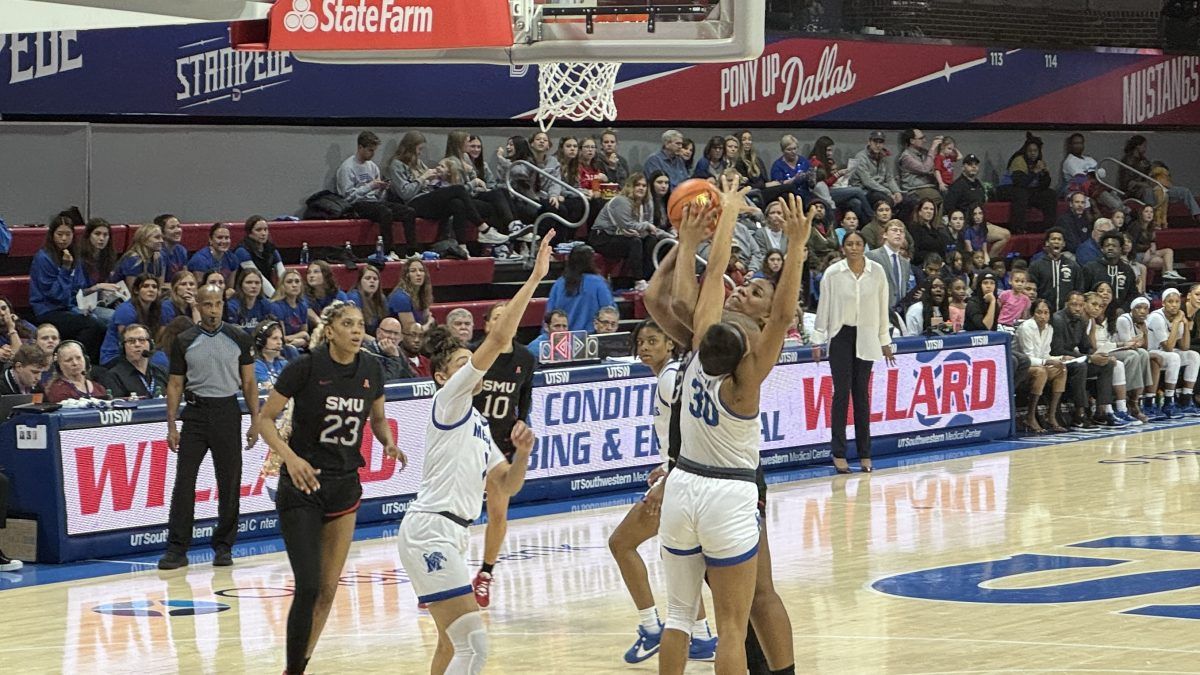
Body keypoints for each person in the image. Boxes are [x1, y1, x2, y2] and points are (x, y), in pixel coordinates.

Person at [656, 181, 808, 674]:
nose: (744, 288)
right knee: (734, 622)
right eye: (745, 286)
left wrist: (707, 232)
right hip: (725, 485)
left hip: (698, 483)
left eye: (756, 291)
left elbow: (705, 285)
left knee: (718, 607)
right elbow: (694, 292)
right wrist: (796, 247)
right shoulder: (739, 358)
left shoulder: (713, 339)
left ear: (763, 315)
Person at [395, 236, 549, 675]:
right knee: (475, 647)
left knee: (451, 642)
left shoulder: (478, 424)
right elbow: (500, 336)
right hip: (431, 530)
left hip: (453, 532)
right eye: (464, 363)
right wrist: (535, 276)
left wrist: (521, 454)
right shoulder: (449, 401)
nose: (473, 368)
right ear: (443, 375)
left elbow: (506, 486)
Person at [256, 300, 403, 675]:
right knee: (307, 586)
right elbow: (266, 419)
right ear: (331, 329)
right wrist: (290, 458)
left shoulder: (371, 366)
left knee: (327, 589)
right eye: (349, 324)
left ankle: (299, 666)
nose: (357, 331)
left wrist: (386, 440)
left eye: (360, 324)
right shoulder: (305, 367)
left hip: (344, 485)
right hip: (303, 485)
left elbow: (379, 417)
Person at [607, 320, 718, 664]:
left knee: (621, 543)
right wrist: (666, 465)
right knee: (678, 558)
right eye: (640, 341)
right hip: (684, 474)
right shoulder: (667, 375)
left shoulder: (671, 377)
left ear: (670, 344)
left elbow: (694, 429)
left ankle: (651, 628)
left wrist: (668, 478)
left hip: (684, 480)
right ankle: (700, 636)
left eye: (653, 340)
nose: (644, 346)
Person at [158, 284, 259, 570]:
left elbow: (249, 382)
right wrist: (171, 424)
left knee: (229, 482)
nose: (213, 309)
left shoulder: (238, 337)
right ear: (198, 307)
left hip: (228, 411)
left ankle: (224, 546)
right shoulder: (184, 340)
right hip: (196, 413)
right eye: (207, 304)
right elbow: (175, 384)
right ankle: (177, 549)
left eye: (217, 304)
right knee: (184, 482)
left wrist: (255, 420)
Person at [468, 301, 537, 608]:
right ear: (487, 325)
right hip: (469, 442)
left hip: (501, 445)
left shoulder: (525, 358)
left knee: (498, 514)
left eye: (509, 316)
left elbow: (525, 399)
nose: (505, 320)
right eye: (498, 317)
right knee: (458, 514)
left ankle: (485, 573)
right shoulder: (475, 354)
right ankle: (442, 578)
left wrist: (522, 420)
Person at [813, 229, 895, 473]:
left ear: (864, 247)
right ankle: (838, 452)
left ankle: (865, 453)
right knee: (841, 394)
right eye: (849, 244)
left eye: (858, 243)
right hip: (841, 335)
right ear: (843, 247)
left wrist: (885, 339)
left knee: (861, 395)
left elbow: (882, 308)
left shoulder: (877, 272)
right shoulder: (833, 273)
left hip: (867, 335)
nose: (854, 248)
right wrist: (818, 339)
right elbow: (824, 307)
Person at [30, 217, 106, 362]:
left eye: (68, 234)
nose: (64, 239)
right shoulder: (43, 258)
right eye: (60, 234)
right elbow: (55, 295)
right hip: (49, 310)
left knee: (107, 320)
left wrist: (84, 305)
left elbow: (78, 287)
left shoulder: (75, 256)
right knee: (94, 325)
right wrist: (65, 269)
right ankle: (75, 361)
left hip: (70, 306)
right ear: (52, 235)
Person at [589, 173, 671, 291]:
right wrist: (646, 226)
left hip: (622, 236)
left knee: (652, 240)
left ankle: (648, 277)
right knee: (635, 242)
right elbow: (628, 225)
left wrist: (671, 237)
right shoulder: (621, 201)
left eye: (644, 185)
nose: (641, 188)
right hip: (602, 236)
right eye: (637, 185)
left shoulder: (647, 203)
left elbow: (650, 228)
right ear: (629, 186)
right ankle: (638, 280)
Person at [1049, 291, 1114, 430]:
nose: (1077, 308)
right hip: (1059, 360)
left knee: (1107, 364)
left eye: (1080, 305)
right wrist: (1090, 358)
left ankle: (1101, 411)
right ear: (1066, 304)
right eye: (1074, 305)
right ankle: (1079, 415)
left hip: (1074, 359)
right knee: (1081, 366)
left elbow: (1086, 346)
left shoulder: (1081, 320)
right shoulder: (1058, 319)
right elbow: (1057, 350)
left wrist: (1100, 355)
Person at [1087, 286, 1149, 425]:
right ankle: (1119, 404)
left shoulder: (1114, 315)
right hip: (1098, 352)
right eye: (1095, 304)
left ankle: (1132, 402)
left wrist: (1126, 343)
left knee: (1143, 354)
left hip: (1110, 349)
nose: (1098, 307)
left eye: (1109, 291)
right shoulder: (1089, 319)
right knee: (1128, 358)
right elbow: (1091, 347)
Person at [337, 130, 402, 258]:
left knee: (408, 211)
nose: (372, 154)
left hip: (374, 203)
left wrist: (382, 188)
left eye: (374, 150)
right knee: (385, 212)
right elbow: (348, 197)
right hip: (357, 205)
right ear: (360, 147)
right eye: (370, 150)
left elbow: (378, 197)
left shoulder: (373, 167)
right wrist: (371, 186)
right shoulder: (347, 168)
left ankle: (412, 250)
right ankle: (388, 251)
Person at [1013, 298, 1069, 433]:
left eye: (1046, 313)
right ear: (1033, 313)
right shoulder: (1026, 327)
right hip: (1020, 367)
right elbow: (1027, 358)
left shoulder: (1049, 328)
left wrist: (1061, 358)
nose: (1043, 316)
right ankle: (1030, 417)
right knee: (1041, 371)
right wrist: (1047, 362)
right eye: (1039, 312)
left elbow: (1045, 354)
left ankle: (1051, 416)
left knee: (1062, 369)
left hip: (1038, 364)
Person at [1147, 287, 1200, 417]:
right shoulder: (1156, 317)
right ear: (1163, 303)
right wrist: (1177, 322)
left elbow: (1185, 347)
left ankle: (1186, 400)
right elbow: (1169, 348)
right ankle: (1169, 401)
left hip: (1165, 353)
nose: (1174, 305)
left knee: (1193, 355)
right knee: (1174, 357)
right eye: (1170, 301)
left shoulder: (1178, 316)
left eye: (1177, 301)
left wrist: (1185, 324)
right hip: (1151, 352)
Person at [100, 273, 167, 366]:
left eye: (154, 287)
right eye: (145, 286)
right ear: (136, 290)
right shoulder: (126, 310)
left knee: (165, 358)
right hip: (115, 356)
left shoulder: (159, 309)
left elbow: (159, 339)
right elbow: (126, 343)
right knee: (160, 361)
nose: (151, 290)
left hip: (143, 351)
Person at [996, 133, 1058, 233]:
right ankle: (1019, 228)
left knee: (1050, 194)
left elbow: (1044, 185)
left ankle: (1049, 227)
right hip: (1006, 189)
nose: (1033, 153)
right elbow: (1020, 182)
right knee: (1021, 193)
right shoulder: (1019, 160)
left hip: (1026, 190)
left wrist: (1044, 173)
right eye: (1030, 151)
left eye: (1035, 151)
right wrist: (1035, 172)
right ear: (1026, 151)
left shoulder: (1039, 162)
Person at [546, 245, 615, 333]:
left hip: (563, 339)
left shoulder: (559, 283)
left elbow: (549, 314)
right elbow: (609, 311)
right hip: (591, 339)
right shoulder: (599, 283)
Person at [1118, 296, 1166, 420]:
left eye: (1145, 309)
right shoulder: (1124, 320)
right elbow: (1127, 345)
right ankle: (1127, 401)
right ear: (1132, 309)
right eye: (1138, 308)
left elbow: (1144, 347)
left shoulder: (1143, 323)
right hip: (1116, 350)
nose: (1142, 311)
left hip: (1130, 352)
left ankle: (1135, 401)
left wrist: (1144, 332)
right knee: (1137, 355)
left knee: (1144, 354)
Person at [100, 323, 167, 398]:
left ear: (150, 344)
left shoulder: (161, 371)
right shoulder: (113, 376)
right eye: (131, 341)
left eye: (142, 340)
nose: (137, 344)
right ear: (123, 347)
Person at [1028, 228, 1085, 313]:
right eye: (1053, 239)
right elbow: (1031, 290)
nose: (1056, 241)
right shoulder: (1036, 265)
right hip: (1043, 313)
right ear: (1047, 243)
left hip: (1066, 314)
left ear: (1064, 244)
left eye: (1059, 239)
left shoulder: (1073, 266)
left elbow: (1079, 290)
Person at [897, 129, 945, 224]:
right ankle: (935, 225)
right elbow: (924, 169)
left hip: (928, 186)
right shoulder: (906, 157)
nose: (924, 140)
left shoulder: (923, 152)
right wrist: (932, 149)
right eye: (921, 138)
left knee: (947, 191)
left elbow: (932, 165)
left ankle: (938, 224)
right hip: (914, 189)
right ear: (912, 141)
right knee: (935, 197)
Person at [1083, 232, 1137, 312]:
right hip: (1094, 314)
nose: (1110, 248)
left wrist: (1123, 309)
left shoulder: (1127, 270)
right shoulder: (1090, 268)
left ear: (1120, 249)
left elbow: (1132, 294)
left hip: (1120, 315)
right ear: (1102, 249)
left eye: (1114, 246)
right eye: (1107, 246)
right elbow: (1084, 292)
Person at [866, 220, 911, 312]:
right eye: (894, 230)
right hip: (878, 310)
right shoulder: (872, 256)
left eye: (901, 231)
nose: (898, 233)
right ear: (885, 234)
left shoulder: (905, 263)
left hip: (900, 312)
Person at [850, 131, 903, 208]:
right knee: (885, 199)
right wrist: (888, 192)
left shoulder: (885, 157)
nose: (878, 145)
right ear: (869, 142)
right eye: (875, 142)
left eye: (880, 142)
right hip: (865, 190)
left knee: (906, 200)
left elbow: (889, 178)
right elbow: (867, 182)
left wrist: (897, 192)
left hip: (881, 189)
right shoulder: (860, 157)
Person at [232, 215, 287, 290]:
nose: (263, 233)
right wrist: (274, 298)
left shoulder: (271, 249)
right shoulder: (241, 251)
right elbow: (258, 277)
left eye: (265, 229)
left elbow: (282, 274)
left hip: (266, 291)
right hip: (247, 291)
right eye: (258, 230)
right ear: (249, 233)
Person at [113, 223, 167, 289]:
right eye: (157, 237)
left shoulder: (159, 258)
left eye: (162, 237)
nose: (161, 241)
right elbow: (133, 290)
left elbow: (159, 287)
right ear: (144, 240)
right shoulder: (133, 260)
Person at [388, 259, 435, 331]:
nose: (418, 274)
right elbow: (411, 331)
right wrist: (429, 323)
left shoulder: (422, 294)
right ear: (406, 275)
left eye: (421, 270)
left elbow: (426, 317)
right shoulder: (401, 297)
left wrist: (428, 321)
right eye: (413, 271)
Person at [345, 265, 388, 337]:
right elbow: (354, 329)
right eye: (367, 278)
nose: (372, 281)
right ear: (360, 281)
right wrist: (374, 343)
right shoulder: (354, 297)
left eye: (375, 279)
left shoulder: (382, 298)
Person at [303, 261, 349, 327]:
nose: (311, 276)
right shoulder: (304, 295)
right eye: (309, 273)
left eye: (316, 272)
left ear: (326, 275)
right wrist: (322, 325)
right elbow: (307, 311)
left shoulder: (338, 294)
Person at [253, 320, 293, 388]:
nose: (279, 342)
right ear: (261, 342)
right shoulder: (255, 365)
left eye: (280, 339)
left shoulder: (284, 363)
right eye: (275, 338)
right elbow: (268, 389)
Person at [156, 214, 191, 282]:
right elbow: (160, 285)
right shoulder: (159, 254)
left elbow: (186, 278)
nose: (177, 230)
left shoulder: (181, 250)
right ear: (162, 233)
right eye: (172, 228)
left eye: (178, 226)